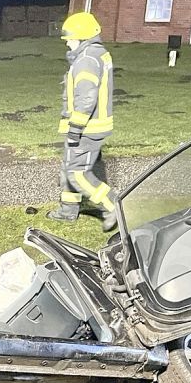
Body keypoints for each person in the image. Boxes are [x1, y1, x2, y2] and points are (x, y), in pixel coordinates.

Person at [47, 12, 117, 232]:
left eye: (70, 38)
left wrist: (76, 128)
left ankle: (112, 205)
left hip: (87, 128)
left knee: (77, 174)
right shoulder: (93, 54)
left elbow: (86, 98)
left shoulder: (86, 59)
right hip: (90, 125)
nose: (67, 42)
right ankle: (68, 210)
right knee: (67, 168)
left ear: (82, 37)